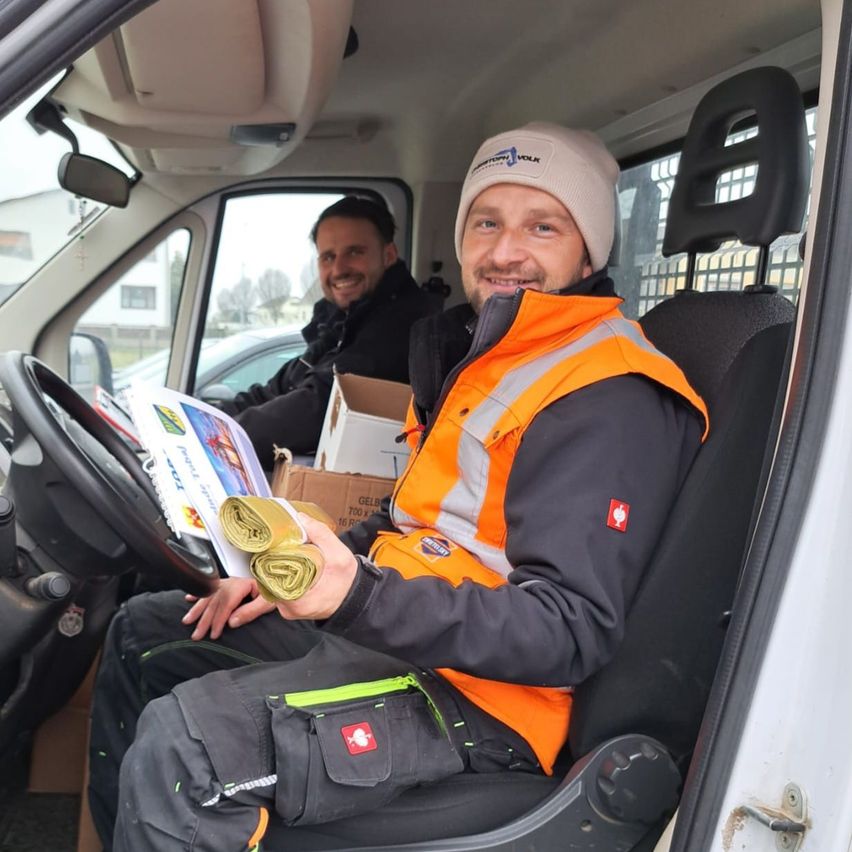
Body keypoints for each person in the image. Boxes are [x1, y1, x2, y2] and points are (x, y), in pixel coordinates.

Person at [88, 122, 708, 851]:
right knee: (143, 631)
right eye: (486, 222)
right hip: (405, 633)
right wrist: (284, 570)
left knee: (188, 750)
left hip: (488, 699)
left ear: (587, 248)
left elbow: (569, 628)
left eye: (542, 226)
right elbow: (413, 518)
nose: (505, 251)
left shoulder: (608, 392)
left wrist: (358, 598)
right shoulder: (485, 358)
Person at [220, 195, 435, 469]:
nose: (339, 269)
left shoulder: (406, 323)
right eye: (328, 257)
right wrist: (206, 418)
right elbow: (283, 385)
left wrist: (222, 439)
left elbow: (322, 403)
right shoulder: (340, 320)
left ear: (388, 255)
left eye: (355, 252)